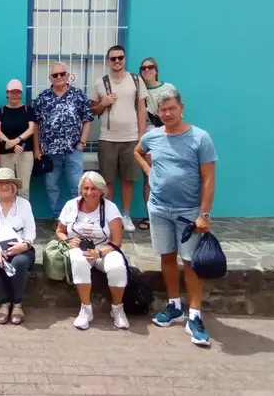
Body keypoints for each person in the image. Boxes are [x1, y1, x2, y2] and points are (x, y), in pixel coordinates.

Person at [134, 88, 217, 347]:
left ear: (182, 108)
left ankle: (195, 316)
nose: (168, 113)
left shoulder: (200, 138)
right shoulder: (153, 136)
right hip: (158, 208)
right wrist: (148, 170)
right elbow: (138, 151)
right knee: (167, 257)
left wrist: (204, 214)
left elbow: (209, 179)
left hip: (188, 212)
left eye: (172, 108)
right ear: (158, 113)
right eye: (163, 110)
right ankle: (174, 306)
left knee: (191, 262)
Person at [55, 172, 130, 330]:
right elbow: (60, 231)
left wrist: (100, 253)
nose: (89, 192)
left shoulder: (110, 208)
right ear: (81, 190)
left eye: (94, 189)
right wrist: (68, 241)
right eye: (86, 188)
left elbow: (117, 241)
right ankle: (85, 309)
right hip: (79, 249)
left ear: (102, 190)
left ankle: (117, 308)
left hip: (104, 249)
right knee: (78, 261)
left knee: (117, 266)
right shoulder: (71, 205)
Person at [91, 45, 148, 233]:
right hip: (107, 138)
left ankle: (126, 215)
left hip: (131, 138)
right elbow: (93, 110)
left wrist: (141, 136)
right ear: (108, 61)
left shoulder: (136, 80)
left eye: (120, 57)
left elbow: (142, 109)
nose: (117, 61)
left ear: (124, 59)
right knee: (107, 181)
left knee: (128, 179)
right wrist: (103, 103)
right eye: (113, 58)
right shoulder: (100, 83)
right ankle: (109, 216)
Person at [32, 62, 93, 225]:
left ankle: (79, 218)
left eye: (62, 74)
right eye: (55, 75)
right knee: (52, 187)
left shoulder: (78, 95)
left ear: (67, 75)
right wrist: (37, 149)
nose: (59, 77)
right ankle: (57, 218)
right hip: (49, 152)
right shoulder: (42, 98)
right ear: (50, 78)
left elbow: (87, 119)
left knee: (77, 185)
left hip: (73, 149)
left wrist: (82, 142)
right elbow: (35, 125)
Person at [0, 168, 36, 325]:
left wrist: (23, 246)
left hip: (20, 248)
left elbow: (31, 233)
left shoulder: (24, 204)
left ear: (14, 186)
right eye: (0, 183)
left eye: (7, 183)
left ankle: (17, 303)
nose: (4, 186)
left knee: (19, 262)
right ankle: (3, 302)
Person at [138, 57, 176, 231]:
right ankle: (151, 215)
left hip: (168, 135)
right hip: (150, 135)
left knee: (170, 176)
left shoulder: (168, 88)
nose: (147, 70)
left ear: (156, 70)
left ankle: (170, 214)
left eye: (150, 67)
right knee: (150, 176)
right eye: (143, 68)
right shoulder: (139, 90)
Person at [0, 79, 36, 199]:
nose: (14, 95)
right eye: (12, 92)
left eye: (17, 92)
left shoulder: (28, 110)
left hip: (24, 153)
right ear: (7, 93)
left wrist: (17, 140)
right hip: (5, 154)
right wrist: (11, 144)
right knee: (5, 186)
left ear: (21, 94)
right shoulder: (1, 111)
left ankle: (23, 211)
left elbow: (31, 129)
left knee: (23, 188)